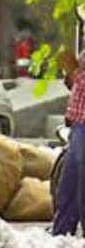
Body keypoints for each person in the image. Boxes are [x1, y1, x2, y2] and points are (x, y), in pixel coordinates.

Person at [54, 46, 85, 237]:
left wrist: (76, 71)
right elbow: (74, 84)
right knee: (70, 183)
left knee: (79, 182)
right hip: (77, 124)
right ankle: (62, 231)